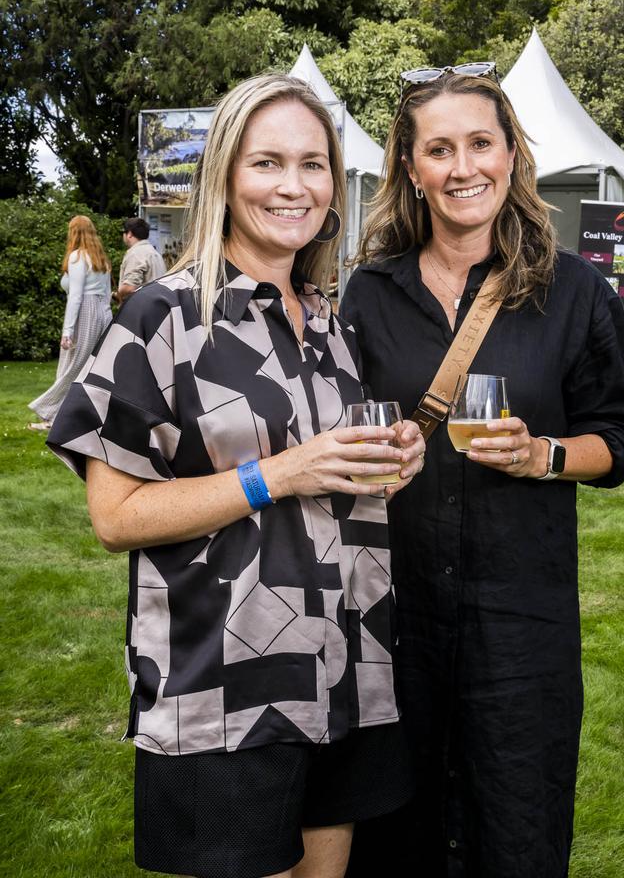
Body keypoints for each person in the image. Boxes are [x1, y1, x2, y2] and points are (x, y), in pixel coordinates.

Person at [47, 75, 425, 878]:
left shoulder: (328, 320)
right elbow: (115, 517)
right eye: (268, 163)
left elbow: (328, 473)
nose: (295, 187)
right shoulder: (163, 317)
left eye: (314, 165)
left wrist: (384, 462)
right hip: (222, 687)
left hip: (345, 673)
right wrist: (279, 474)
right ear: (224, 174)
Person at [340, 63, 624, 878]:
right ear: (411, 168)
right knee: (392, 832)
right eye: (438, 149)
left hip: (521, 624)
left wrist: (542, 455)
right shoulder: (366, 294)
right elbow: (335, 430)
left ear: (512, 154)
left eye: (481, 143)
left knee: (516, 826)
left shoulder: (576, 292)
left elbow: (617, 438)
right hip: (393, 616)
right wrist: (368, 459)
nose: (462, 167)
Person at [27, 214, 112, 431]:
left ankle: (52, 415)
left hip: (84, 312)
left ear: (73, 233)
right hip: (101, 314)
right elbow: (108, 295)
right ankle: (73, 416)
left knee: (70, 366)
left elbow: (76, 296)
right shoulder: (101, 259)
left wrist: (68, 331)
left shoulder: (77, 257)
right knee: (87, 367)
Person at [116, 216, 167, 303]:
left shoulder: (136, 254)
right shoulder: (155, 253)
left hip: (140, 308)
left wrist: (116, 295)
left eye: (124, 232)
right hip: (156, 306)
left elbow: (130, 287)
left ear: (130, 234)